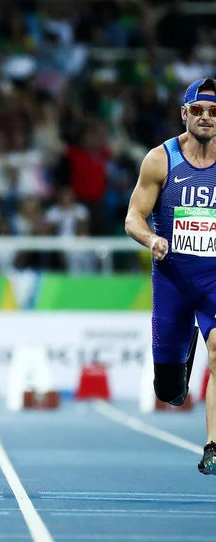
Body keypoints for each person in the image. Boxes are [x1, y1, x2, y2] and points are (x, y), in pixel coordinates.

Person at [125, 77, 216, 475]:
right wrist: (151, 239)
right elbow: (133, 217)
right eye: (198, 110)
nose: (206, 117)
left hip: (213, 280)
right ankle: (184, 353)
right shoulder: (160, 160)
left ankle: (212, 446)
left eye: (214, 111)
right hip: (172, 282)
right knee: (169, 392)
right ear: (184, 113)